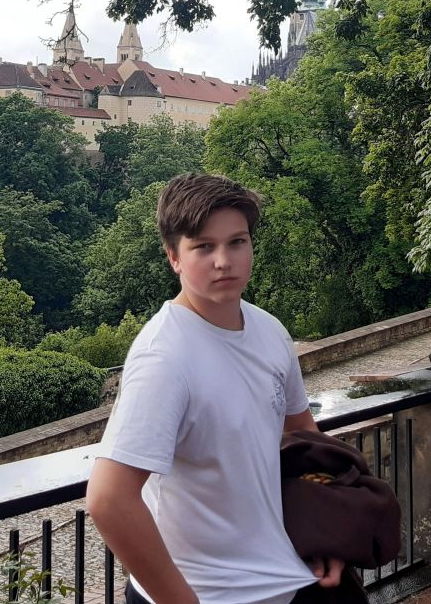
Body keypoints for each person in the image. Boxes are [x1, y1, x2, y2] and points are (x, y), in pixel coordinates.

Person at [86, 172, 343, 604]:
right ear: (174, 257)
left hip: (285, 580)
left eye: (237, 242)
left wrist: (328, 531)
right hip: (209, 593)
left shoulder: (269, 331)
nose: (224, 260)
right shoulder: (164, 357)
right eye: (204, 246)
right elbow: (109, 499)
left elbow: (302, 436)